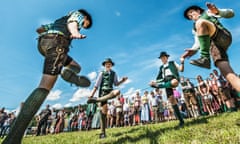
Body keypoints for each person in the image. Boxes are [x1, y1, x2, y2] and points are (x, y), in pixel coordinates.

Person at [3, 9, 92, 144]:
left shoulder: (58, 20)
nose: (84, 26)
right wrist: (75, 32)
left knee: (76, 67)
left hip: (44, 43)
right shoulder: (77, 15)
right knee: (45, 87)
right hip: (58, 43)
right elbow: (74, 22)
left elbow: (40, 29)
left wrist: (45, 31)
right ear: (85, 17)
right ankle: (13, 139)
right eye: (85, 24)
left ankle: (68, 73)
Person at [182, 2, 240, 92]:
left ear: (198, 10)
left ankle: (205, 58)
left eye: (192, 13)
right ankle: (205, 58)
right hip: (214, 47)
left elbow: (231, 13)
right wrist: (193, 50)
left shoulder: (208, 12)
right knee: (228, 74)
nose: (191, 16)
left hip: (222, 36)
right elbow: (198, 43)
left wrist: (217, 11)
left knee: (200, 22)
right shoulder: (195, 28)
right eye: (189, 17)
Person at [87, 58, 128, 138]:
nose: (108, 65)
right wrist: (91, 95)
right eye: (106, 64)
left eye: (109, 63)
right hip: (102, 93)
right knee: (104, 113)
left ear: (111, 65)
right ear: (104, 65)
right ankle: (103, 133)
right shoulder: (101, 73)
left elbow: (116, 84)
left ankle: (96, 100)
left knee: (117, 92)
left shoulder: (114, 73)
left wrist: (122, 80)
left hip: (110, 92)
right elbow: (96, 85)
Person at [149, 51, 185, 128]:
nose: (163, 58)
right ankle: (181, 121)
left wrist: (182, 62)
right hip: (166, 82)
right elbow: (159, 79)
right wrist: (153, 82)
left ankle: (158, 86)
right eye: (161, 58)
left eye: (164, 57)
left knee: (174, 82)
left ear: (167, 57)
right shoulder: (161, 68)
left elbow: (181, 70)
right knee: (172, 101)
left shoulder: (172, 63)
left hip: (173, 79)